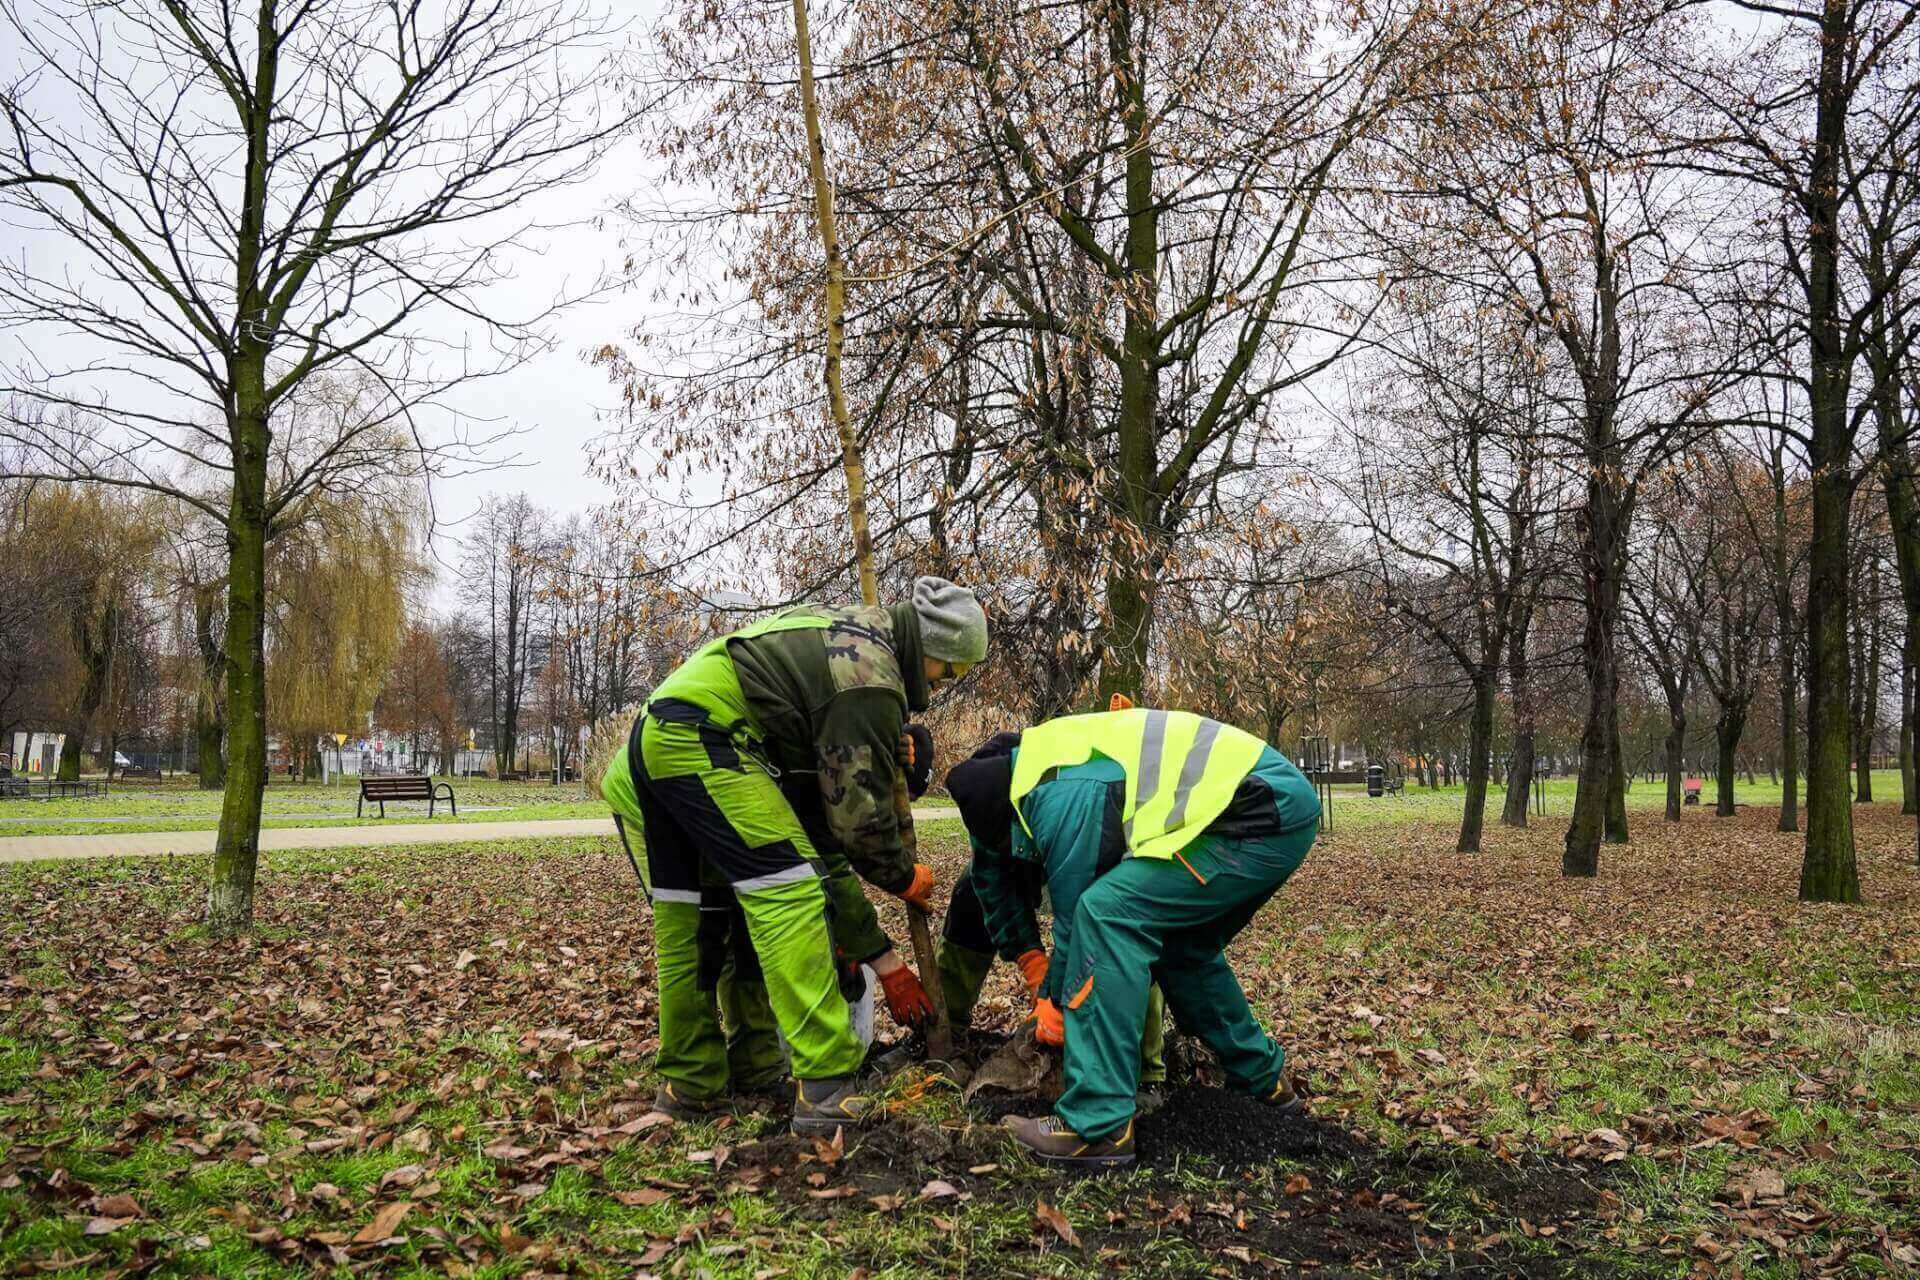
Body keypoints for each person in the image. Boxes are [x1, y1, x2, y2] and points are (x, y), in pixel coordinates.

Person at [597, 578, 987, 1135]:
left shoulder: (846, 645)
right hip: (705, 741)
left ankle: (704, 1078)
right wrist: (901, 877)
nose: (945, 683)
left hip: (658, 746)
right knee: (788, 893)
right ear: (934, 649)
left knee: (706, 920)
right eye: (949, 671)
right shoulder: (868, 678)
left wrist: (883, 961)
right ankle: (827, 1086)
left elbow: (821, 844)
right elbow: (855, 829)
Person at [943, 708, 1320, 1168]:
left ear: (1009, 821)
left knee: (1106, 914)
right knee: (1182, 947)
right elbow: (992, 881)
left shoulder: (1058, 795)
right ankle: (1262, 1082)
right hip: (1275, 805)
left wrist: (1054, 999)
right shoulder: (1033, 767)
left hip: (1255, 808)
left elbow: (1078, 908)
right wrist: (1031, 965)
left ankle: (1096, 1126)